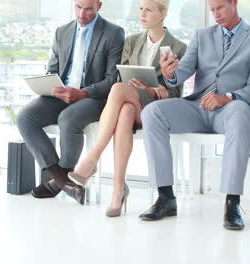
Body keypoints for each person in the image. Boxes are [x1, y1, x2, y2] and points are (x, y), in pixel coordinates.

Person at [138, 0, 250, 230]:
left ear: (234, 3)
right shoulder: (202, 35)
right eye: (212, 10)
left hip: (231, 110)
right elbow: (182, 73)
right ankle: (166, 197)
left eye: (220, 8)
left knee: (239, 111)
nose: (216, 15)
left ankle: (232, 203)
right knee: (152, 112)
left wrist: (228, 97)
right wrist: (170, 74)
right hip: (199, 108)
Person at [67, 0, 187, 217]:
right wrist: (139, 87)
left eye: (148, 10)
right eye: (141, 9)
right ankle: (118, 191)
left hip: (155, 110)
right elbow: (123, 77)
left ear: (163, 14)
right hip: (131, 102)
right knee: (125, 112)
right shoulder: (131, 42)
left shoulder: (178, 47)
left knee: (118, 89)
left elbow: (177, 93)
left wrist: (153, 89)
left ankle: (91, 159)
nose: (142, 14)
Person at [16, 0, 125, 204]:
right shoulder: (62, 32)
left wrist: (82, 93)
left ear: (99, 6)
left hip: (94, 97)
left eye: (88, 9)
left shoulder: (113, 33)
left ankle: (58, 181)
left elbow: (112, 80)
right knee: (25, 117)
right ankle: (64, 180)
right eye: (78, 7)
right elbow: (53, 67)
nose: (82, 14)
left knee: (68, 118)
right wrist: (50, 81)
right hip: (61, 95)